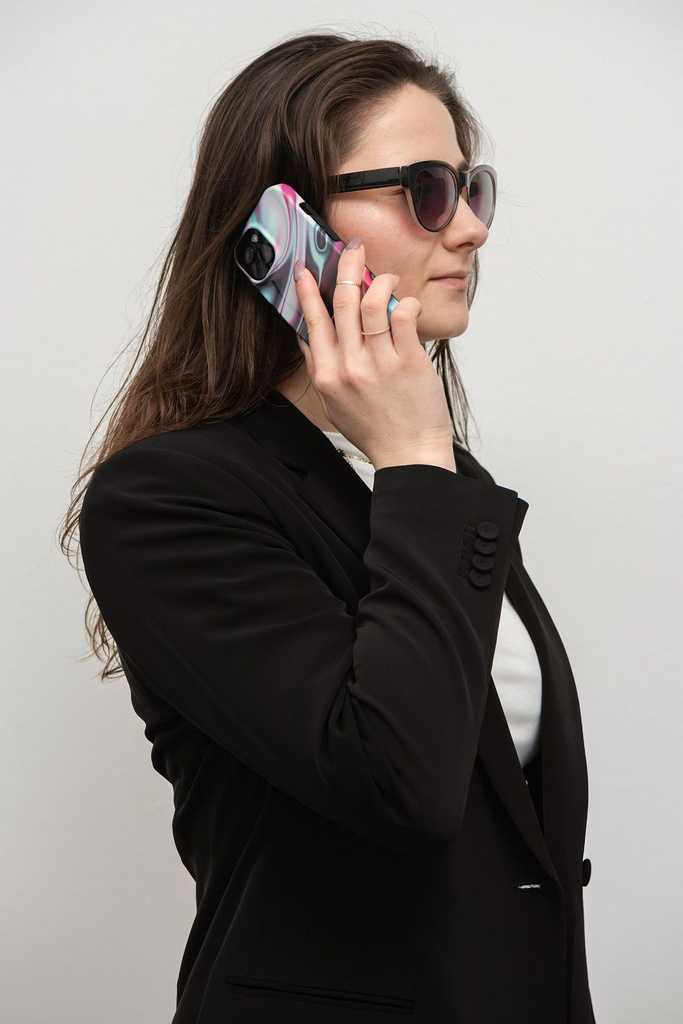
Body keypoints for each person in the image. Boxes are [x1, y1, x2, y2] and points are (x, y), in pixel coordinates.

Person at [62, 31, 596, 1024]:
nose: (468, 230)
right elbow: (400, 782)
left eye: (470, 189)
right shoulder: (170, 497)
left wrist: (416, 464)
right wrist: (413, 458)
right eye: (424, 191)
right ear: (285, 226)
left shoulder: (434, 479)